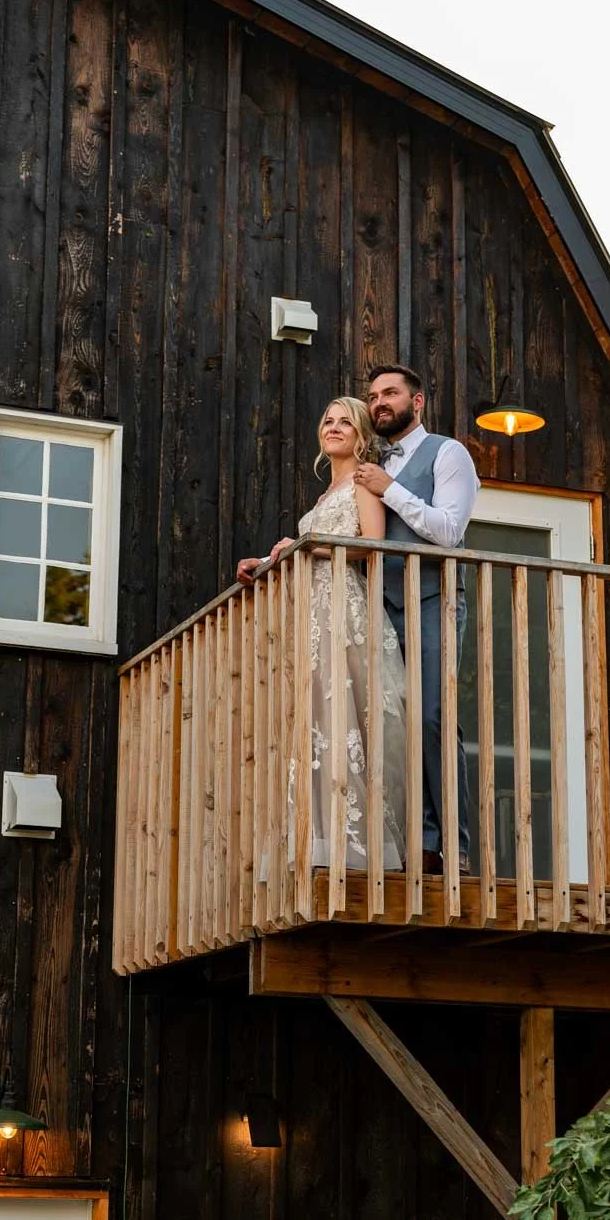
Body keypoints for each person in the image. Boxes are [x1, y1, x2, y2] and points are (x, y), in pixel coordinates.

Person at [237, 398, 407, 871]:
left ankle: (356, 844)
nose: (334, 428)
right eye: (327, 420)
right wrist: (271, 560)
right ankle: (317, 838)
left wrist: (308, 546)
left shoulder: (362, 482)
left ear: (360, 434)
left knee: (342, 717)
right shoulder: (321, 496)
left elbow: (372, 546)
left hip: (342, 611)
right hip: (310, 614)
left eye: (344, 422)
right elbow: (308, 551)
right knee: (312, 721)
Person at [354, 364, 479, 874]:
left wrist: (390, 488)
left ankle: (452, 843)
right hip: (380, 607)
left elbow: (449, 531)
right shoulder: (367, 463)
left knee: (431, 717)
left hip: (433, 599)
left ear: (417, 401)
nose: (380, 402)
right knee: (391, 724)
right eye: (374, 395)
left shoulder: (448, 454)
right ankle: (411, 842)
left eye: (391, 393)